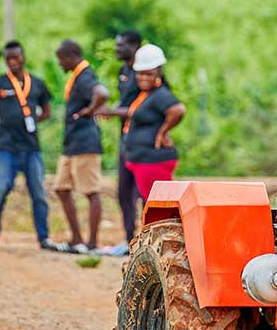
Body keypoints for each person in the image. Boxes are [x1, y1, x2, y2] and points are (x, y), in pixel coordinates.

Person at [0, 40, 56, 250]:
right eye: (8, 59)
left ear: (23, 57)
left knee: (38, 192)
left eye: (16, 57)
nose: (13, 62)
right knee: (0, 188)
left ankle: (44, 238)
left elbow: (47, 110)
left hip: (31, 147)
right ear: (5, 61)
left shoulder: (38, 83)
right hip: (6, 147)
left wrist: (32, 123)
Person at [51, 39, 109, 252]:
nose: (59, 64)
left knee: (91, 191)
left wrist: (90, 109)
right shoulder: (78, 76)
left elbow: (102, 93)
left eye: (60, 60)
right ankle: (76, 239)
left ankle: (92, 243)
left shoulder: (85, 76)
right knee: (61, 188)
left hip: (85, 143)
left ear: (70, 57)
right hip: (72, 144)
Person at [121, 44, 187, 201]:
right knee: (151, 203)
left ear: (158, 73)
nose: (143, 77)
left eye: (148, 74)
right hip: (141, 159)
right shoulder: (145, 94)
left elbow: (178, 110)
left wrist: (163, 132)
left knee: (160, 204)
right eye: (140, 73)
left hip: (152, 160)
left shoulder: (160, 94)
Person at [96, 30, 143, 245]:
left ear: (135, 46)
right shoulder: (123, 71)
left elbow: (142, 107)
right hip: (125, 139)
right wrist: (113, 110)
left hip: (144, 141)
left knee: (143, 192)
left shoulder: (145, 74)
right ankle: (129, 239)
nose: (117, 49)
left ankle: (147, 239)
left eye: (121, 45)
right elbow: (126, 103)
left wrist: (113, 111)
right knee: (123, 192)